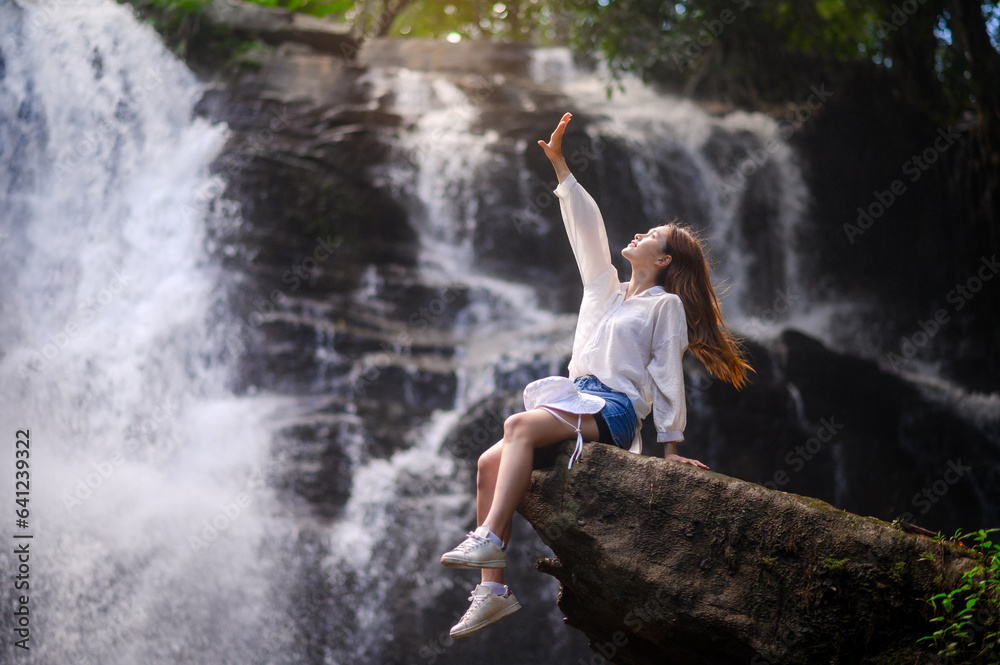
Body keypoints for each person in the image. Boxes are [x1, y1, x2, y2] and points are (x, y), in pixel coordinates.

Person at [440, 112, 753, 639]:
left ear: (664, 257)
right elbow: (589, 231)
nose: (638, 233)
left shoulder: (664, 307)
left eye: (651, 234)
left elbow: (666, 373)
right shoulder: (603, 291)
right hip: (577, 396)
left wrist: (671, 449)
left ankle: (490, 533)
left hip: (615, 408)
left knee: (516, 427)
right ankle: (492, 590)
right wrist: (561, 166)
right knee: (488, 461)